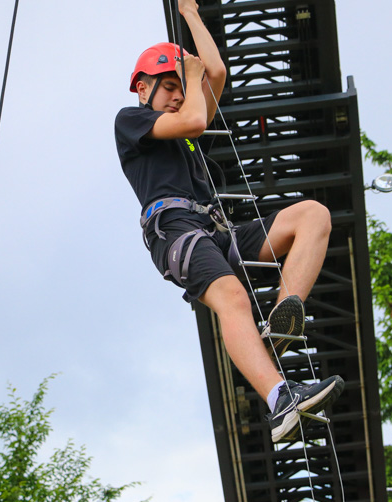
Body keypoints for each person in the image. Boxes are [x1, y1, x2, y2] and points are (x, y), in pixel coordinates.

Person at [114, 0, 343, 442]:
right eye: (167, 87)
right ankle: (281, 403)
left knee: (314, 216)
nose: (178, 95)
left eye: (181, 87)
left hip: (218, 230)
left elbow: (215, 74)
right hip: (175, 231)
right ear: (142, 88)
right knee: (232, 298)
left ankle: (281, 317)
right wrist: (193, 82)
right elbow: (197, 119)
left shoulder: (183, 118)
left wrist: (191, 15)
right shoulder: (132, 121)